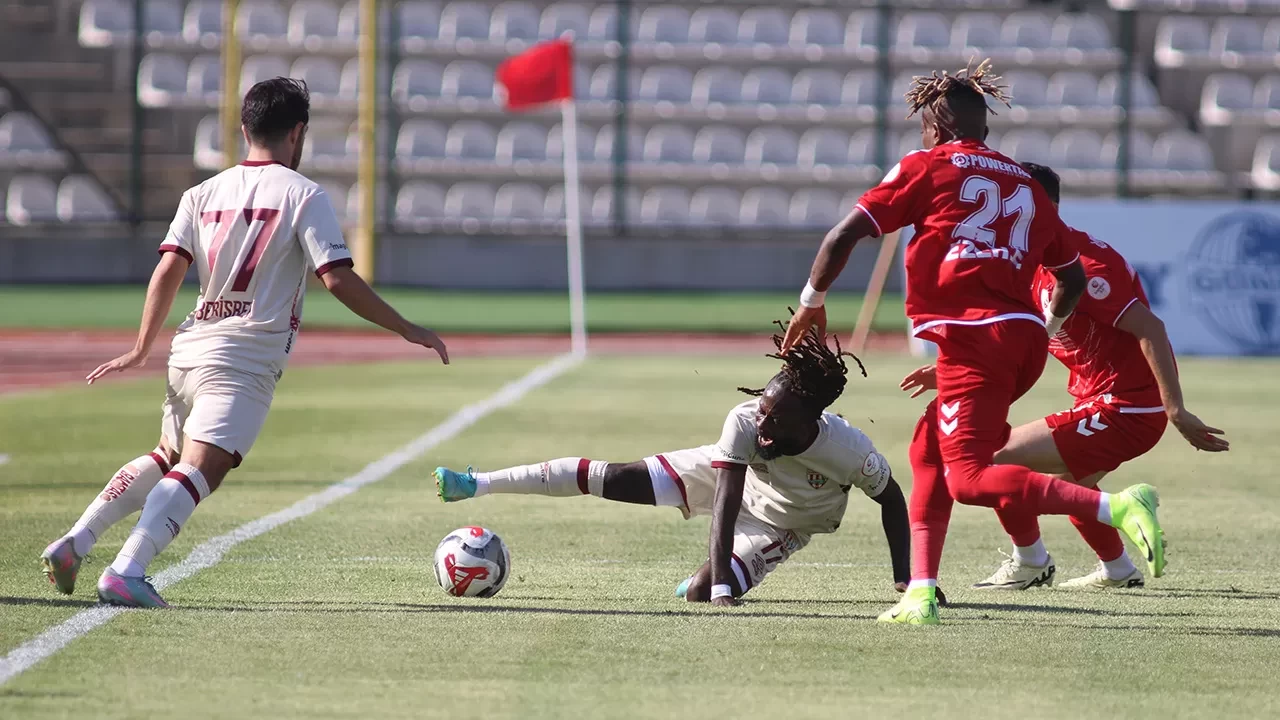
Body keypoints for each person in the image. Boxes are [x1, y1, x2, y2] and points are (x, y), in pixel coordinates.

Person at [780, 60, 1165, 625]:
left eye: (923, 129)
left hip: (976, 338)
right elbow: (1072, 278)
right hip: (1022, 343)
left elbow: (844, 234)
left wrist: (812, 302)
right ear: (984, 129)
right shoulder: (1027, 186)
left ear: (935, 128)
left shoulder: (929, 165)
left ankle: (1116, 506)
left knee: (969, 479)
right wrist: (1041, 330)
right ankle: (921, 590)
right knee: (927, 448)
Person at [40, 78, 449, 608]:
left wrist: (142, 346)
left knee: (167, 455)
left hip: (189, 348)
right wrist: (407, 327)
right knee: (200, 467)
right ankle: (126, 570)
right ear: (298, 133)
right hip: (243, 359)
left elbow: (168, 268)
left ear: (243, 127)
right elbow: (338, 278)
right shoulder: (304, 194)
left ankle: (76, 542)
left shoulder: (202, 192)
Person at [900, 162, 1229, 591]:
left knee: (990, 462)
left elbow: (1152, 328)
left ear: (1043, 206)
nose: (1004, 212)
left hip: (1126, 407)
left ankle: (1031, 560)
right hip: (1101, 402)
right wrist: (950, 371)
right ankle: (1118, 571)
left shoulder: (1088, 265)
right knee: (1076, 495)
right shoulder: (1028, 262)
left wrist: (1176, 409)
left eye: (1015, 200)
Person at [434, 325, 913, 606]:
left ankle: (706, 575)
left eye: (775, 418)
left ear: (808, 419)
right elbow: (726, 498)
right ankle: (477, 484)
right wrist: (728, 581)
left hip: (783, 522)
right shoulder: (746, 423)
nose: (761, 422)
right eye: (761, 408)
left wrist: (904, 577)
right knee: (613, 476)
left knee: (699, 593)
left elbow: (892, 499)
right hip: (731, 478)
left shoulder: (850, 450)